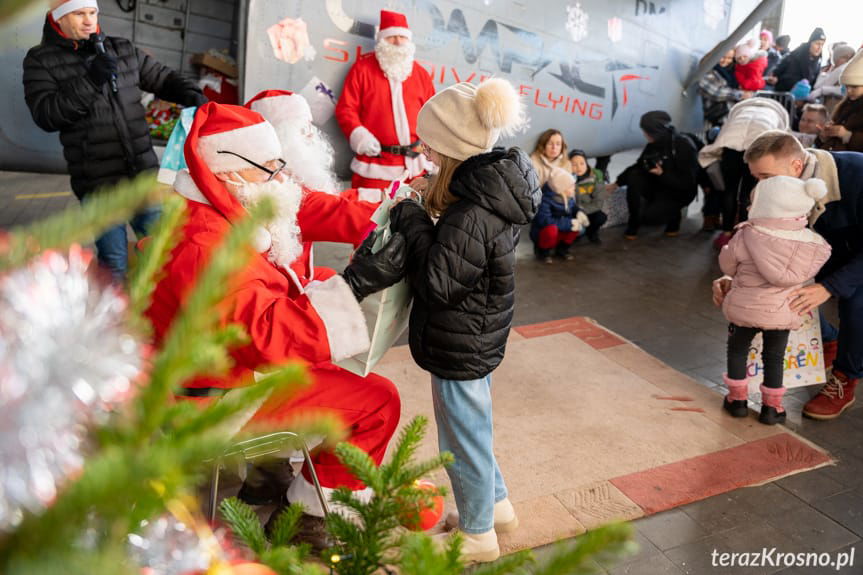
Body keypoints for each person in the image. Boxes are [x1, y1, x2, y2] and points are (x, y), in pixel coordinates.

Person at [145, 103, 406, 545]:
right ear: (228, 173)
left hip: (221, 375)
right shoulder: (207, 245)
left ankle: (277, 481)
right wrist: (354, 286)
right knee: (377, 401)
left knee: (341, 363)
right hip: (220, 397)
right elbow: (266, 337)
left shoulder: (215, 215)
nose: (279, 177)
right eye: (268, 167)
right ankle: (306, 522)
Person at [387, 78, 540, 563]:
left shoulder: (471, 212)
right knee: (473, 428)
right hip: (475, 333)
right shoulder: (491, 193)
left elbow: (438, 282)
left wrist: (410, 217)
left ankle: (478, 535)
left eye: (431, 147)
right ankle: (495, 509)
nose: (426, 154)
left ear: (453, 147)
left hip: (461, 340)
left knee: (463, 435)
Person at [22, 0, 206, 280]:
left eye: (93, 12)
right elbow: (47, 115)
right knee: (114, 263)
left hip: (142, 177)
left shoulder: (121, 49)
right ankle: (114, 319)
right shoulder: (39, 60)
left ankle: (161, 316)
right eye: (79, 13)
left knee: (162, 253)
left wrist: (192, 94)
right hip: (99, 185)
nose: (88, 20)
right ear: (57, 18)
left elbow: (162, 78)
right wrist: (90, 80)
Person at [712, 130, 863, 420]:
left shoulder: (856, 174)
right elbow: (753, 234)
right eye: (756, 177)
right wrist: (735, 276)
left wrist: (829, 287)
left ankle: (846, 377)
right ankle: (830, 342)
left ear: (796, 167)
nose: (760, 185)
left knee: (855, 305)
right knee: (778, 295)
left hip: (854, 253)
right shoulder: (766, 182)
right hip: (820, 251)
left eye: (766, 177)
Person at [717, 176, 831, 425]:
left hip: (745, 308)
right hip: (783, 311)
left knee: (737, 350)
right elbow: (809, 273)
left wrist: (728, 253)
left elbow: (728, 265)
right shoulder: (811, 243)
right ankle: (772, 408)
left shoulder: (746, 234)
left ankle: (737, 401)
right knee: (774, 356)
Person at [335, 9, 435, 198]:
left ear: (409, 41)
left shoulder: (421, 75)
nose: (397, 42)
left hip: (415, 168)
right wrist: (360, 136)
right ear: (381, 40)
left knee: (411, 218)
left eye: (401, 37)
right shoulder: (362, 69)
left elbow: (432, 115)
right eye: (391, 37)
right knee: (368, 217)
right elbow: (346, 109)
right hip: (375, 168)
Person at [697, 98, 789, 249]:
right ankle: (742, 238)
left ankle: (726, 234)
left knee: (729, 191)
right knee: (748, 194)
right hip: (757, 148)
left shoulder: (740, 110)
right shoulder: (775, 113)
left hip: (730, 147)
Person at [616, 111, 699, 238]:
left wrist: (663, 174)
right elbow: (639, 165)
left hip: (679, 191)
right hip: (659, 185)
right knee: (634, 175)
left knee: (650, 218)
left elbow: (687, 183)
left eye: (646, 131)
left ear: (656, 131)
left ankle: (674, 219)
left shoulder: (683, 146)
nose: (644, 134)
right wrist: (617, 182)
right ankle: (633, 225)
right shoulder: (654, 144)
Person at [529, 167, 588, 262]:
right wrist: (570, 223)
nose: (574, 188)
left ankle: (562, 249)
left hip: (560, 229)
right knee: (552, 229)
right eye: (571, 186)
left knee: (577, 225)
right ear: (561, 188)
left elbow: (573, 207)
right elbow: (545, 221)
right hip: (543, 233)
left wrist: (579, 212)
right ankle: (543, 251)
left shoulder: (568, 197)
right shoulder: (545, 201)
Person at [818, 50, 863, 152]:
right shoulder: (844, 105)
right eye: (847, 87)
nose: (849, 91)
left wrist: (847, 135)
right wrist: (824, 136)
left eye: (854, 87)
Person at [698, 49, 749, 128]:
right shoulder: (707, 70)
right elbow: (716, 92)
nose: (726, 61)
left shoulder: (730, 71)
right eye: (723, 57)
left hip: (730, 116)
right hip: (716, 118)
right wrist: (741, 94)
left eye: (729, 58)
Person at [569, 149, 610, 242]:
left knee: (601, 217)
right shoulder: (565, 177)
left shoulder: (595, 176)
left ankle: (591, 232)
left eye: (582, 163)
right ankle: (576, 235)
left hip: (588, 209)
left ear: (586, 163)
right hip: (572, 212)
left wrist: (582, 211)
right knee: (575, 229)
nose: (578, 167)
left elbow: (598, 202)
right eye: (574, 164)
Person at [769, 27, 826, 92]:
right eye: (817, 43)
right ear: (810, 43)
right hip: (783, 96)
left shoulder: (817, 64)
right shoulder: (794, 56)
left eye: (822, 45)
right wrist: (775, 78)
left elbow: (813, 84)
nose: (820, 47)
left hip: (803, 100)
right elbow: (776, 72)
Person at [810, 44, 856, 114]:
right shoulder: (847, 69)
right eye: (845, 57)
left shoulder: (841, 69)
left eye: (849, 58)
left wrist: (822, 77)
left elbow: (817, 86)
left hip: (833, 107)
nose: (847, 61)